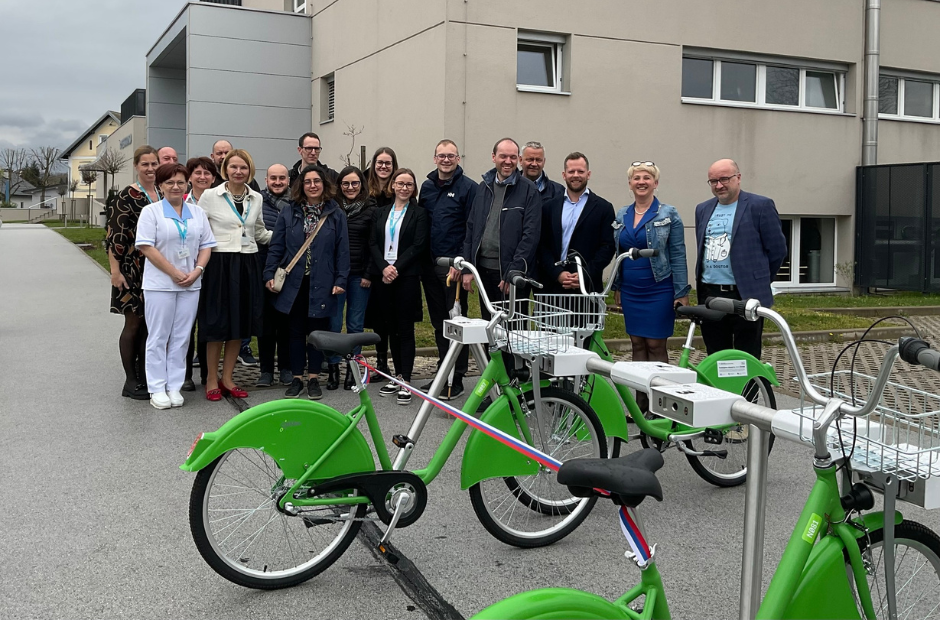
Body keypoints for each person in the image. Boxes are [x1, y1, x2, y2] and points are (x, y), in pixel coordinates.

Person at [264, 165, 349, 400]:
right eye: (308, 181)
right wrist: (269, 273)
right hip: (294, 282)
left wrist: (341, 278)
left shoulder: (335, 213)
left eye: (317, 181)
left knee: (316, 333)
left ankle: (313, 378)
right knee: (294, 332)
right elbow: (277, 246)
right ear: (301, 185)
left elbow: (342, 250)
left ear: (324, 184)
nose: (312, 185)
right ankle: (296, 378)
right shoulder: (290, 212)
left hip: (322, 281)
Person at [135, 163, 216, 409]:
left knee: (181, 337)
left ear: (187, 184)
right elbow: (147, 247)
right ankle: (157, 388)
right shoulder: (151, 212)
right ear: (160, 186)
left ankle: (174, 385)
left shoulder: (197, 212)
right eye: (169, 182)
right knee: (159, 336)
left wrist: (197, 271)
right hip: (160, 284)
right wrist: (174, 273)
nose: (175, 186)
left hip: (191, 284)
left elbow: (206, 245)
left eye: (180, 182)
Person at [612, 161, 690, 412]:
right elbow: (619, 254)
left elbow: (678, 254)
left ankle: (661, 405)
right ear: (630, 184)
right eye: (636, 178)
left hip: (659, 287)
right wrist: (618, 286)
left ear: (655, 183)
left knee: (656, 345)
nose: (641, 182)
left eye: (647, 177)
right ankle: (640, 406)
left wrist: (681, 293)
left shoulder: (669, 214)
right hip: (632, 288)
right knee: (636, 344)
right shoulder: (621, 214)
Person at [197, 149, 272, 401]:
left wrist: (287, 238)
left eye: (244, 168)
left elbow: (259, 232)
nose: (238, 172)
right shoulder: (210, 196)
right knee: (217, 323)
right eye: (234, 167)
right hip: (219, 263)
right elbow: (198, 231)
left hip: (247, 262)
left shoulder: (256, 198)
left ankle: (228, 378)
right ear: (225, 169)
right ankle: (210, 378)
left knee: (239, 325)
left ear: (250, 171)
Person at [695, 159, 787, 359]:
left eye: (724, 179)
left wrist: (757, 280)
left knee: (748, 356)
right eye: (713, 181)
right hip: (710, 294)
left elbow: (777, 250)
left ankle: (749, 391)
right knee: (716, 356)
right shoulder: (702, 209)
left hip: (745, 294)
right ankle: (720, 391)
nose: (719, 185)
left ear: (738, 178)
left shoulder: (760, 205)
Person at [453, 138, 541, 320]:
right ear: (494, 157)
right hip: (484, 271)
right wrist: (468, 269)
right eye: (503, 156)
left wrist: (514, 271)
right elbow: (471, 229)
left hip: (511, 276)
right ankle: (489, 350)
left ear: (518, 159)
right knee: (489, 326)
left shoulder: (529, 190)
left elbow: (530, 237)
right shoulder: (483, 187)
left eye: (512, 157)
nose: (508, 161)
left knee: (514, 334)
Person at [418, 139, 477, 399]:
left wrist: (461, 264)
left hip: (453, 268)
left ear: (457, 159)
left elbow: (471, 229)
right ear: (434, 158)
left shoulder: (469, 188)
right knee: (438, 322)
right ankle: (443, 372)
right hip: (430, 267)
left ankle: (459, 376)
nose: (446, 160)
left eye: (450, 156)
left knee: (456, 323)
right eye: (441, 155)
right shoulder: (427, 187)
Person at [366, 168, 428, 405]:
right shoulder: (380, 213)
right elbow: (372, 243)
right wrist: (384, 267)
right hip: (384, 277)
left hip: (406, 276)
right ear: (392, 186)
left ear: (413, 189)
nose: (404, 188)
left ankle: (407, 379)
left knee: (405, 328)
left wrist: (396, 268)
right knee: (389, 327)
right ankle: (396, 375)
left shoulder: (419, 214)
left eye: (409, 184)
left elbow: (418, 245)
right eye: (400, 183)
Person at [106, 145, 160, 400]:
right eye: (145, 164)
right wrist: (115, 271)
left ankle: (144, 376)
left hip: (156, 268)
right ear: (136, 166)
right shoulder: (127, 195)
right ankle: (130, 380)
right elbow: (114, 236)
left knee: (149, 325)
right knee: (133, 323)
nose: (150, 168)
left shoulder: (161, 192)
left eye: (154, 164)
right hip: (131, 268)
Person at [328, 166, 377, 390]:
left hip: (360, 275)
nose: (350, 188)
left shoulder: (371, 208)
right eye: (345, 184)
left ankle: (353, 368)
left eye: (355, 183)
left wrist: (368, 274)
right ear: (339, 186)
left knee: (355, 324)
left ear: (361, 185)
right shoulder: (332, 208)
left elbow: (374, 244)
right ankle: (333, 369)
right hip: (336, 275)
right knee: (334, 323)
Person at [539, 152, 615, 295]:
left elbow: (608, 247)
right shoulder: (549, 207)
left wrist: (584, 274)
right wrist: (557, 273)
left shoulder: (604, 208)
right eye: (571, 171)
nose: (576, 175)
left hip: (588, 286)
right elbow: (542, 245)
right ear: (564, 175)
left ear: (588, 174)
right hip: (553, 285)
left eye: (580, 171)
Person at [181, 156, 220, 391]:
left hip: (215, 268)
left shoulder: (220, 201)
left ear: (214, 178)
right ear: (189, 177)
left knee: (209, 322)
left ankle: (208, 374)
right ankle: (185, 374)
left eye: (207, 173)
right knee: (186, 324)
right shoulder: (181, 202)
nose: (203, 177)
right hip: (186, 269)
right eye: (198, 173)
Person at [256, 164, 294, 388]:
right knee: (266, 324)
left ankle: (287, 369)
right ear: (266, 179)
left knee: (288, 324)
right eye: (273, 178)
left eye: (282, 178)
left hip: (291, 271)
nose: (278, 182)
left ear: (288, 180)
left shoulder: (296, 204)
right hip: (264, 269)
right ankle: (266, 371)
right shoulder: (257, 202)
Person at [364, 146, 398, 380]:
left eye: (388, 163)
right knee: (377, 318)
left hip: (395, 264)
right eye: (380, 162)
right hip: (372, 260)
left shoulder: (399, 191)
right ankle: (381, 363)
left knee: (393, 317)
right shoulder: (366, 191)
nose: (383, 166)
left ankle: (398, 365)